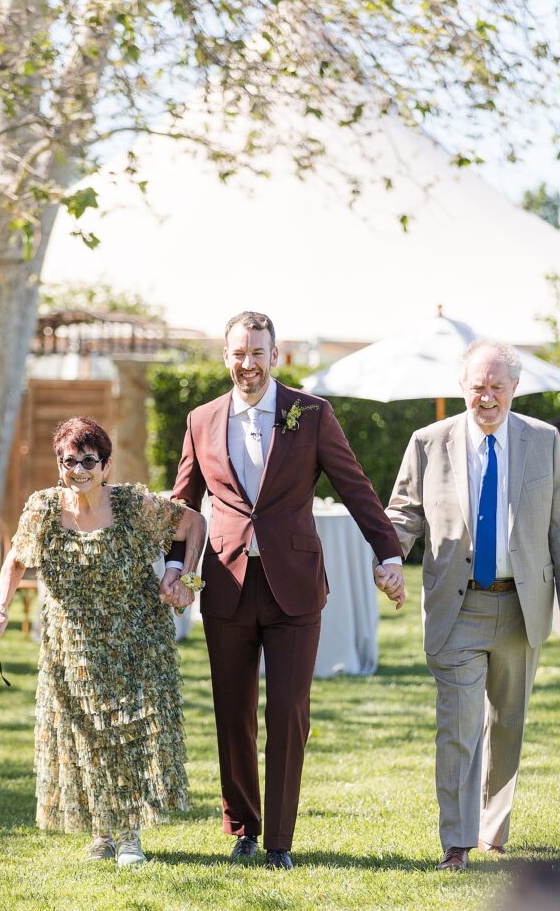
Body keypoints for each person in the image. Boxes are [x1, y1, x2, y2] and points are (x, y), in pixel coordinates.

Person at [160, 311, 405, 870]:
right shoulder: (201, 420)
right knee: (233, 712)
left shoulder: (311, 414)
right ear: (226, 357)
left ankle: (280, 842)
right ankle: (244, 827)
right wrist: (175, 565)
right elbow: (183, 505)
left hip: (293, 588)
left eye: (257, 353)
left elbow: (355, 487)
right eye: (238, 353)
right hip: (226, 584)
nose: (247, 363)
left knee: (289, 712)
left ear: (276, 356)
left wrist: (387, 553)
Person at [385, 340, 560, 871]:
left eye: (498, 387)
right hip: (458, 607)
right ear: (463, 388)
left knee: (508, 725)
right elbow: (403, 511)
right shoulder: (429, 442)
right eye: (479, 387)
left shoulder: (543, 443)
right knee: (458, 725)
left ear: (515, 388)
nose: (488, 397)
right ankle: (456, 840)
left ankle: (492, 830)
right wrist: (389, 557)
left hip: (523, 606)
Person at [0, 417, 206, 866]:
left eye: (89, 461)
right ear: (58, 464)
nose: (79, 470)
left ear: (106, 465)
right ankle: (103, 832)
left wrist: (183, 576)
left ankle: (128, 834)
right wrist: (1, 610)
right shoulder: (43, 508)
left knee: (126, 735)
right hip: (71, 645)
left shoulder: (132, 505)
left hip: (135, 639)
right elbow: (16, 562)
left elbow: (194, 524)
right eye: (69, 461)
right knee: (85, 735)